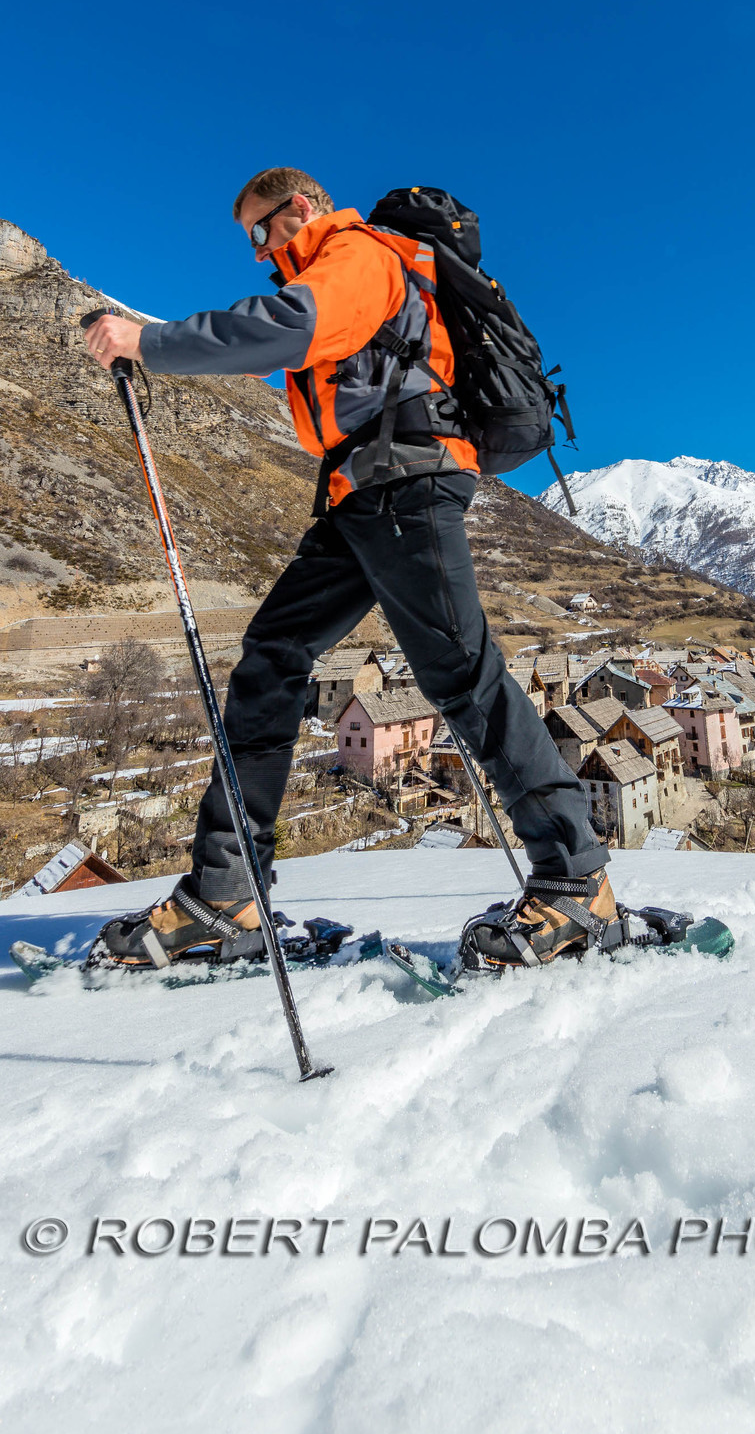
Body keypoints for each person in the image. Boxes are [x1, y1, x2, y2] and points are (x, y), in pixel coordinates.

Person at [82, 166, 615, 972]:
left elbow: (289, 325)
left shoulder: (357, 255)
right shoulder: (340, 270)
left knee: (462, 676)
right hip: (361, 496)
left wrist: (145, 341)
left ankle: (577, 881)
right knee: (271, 657)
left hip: (406, 485)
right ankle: (227, 892)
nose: (259, 252)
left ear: (299, 208)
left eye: (261, 230)